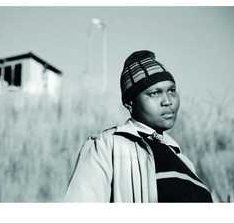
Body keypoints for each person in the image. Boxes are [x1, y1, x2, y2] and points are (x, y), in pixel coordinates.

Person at [65, 50, 213, 202]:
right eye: (155, 93)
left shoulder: (185, 161)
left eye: (172, 90)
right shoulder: (107, 147)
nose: (168, 101)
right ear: (130, 103)